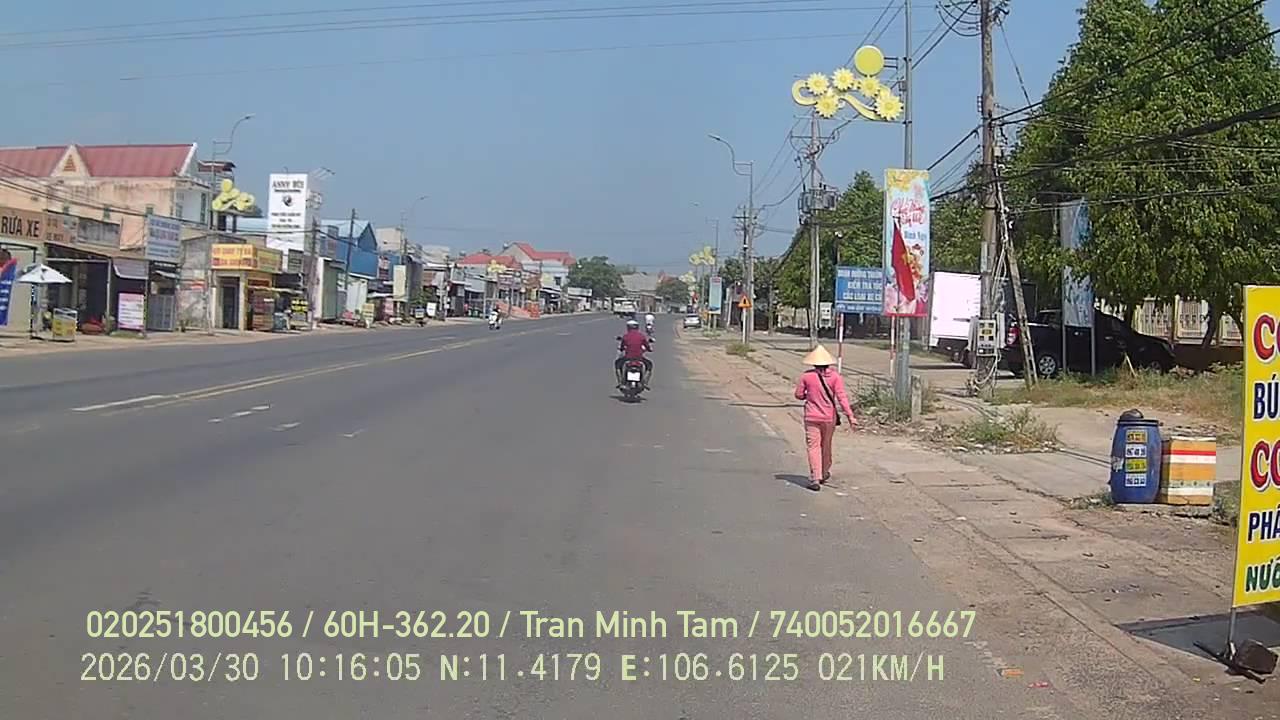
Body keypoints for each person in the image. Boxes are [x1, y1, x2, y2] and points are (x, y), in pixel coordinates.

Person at [793, 345, 855, 492]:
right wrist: (850, 416)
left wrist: (809, 395)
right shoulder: (835, 377)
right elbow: (842, 397)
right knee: (826, 445)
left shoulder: (806, 376)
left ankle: (815, 477)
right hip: (828, 418)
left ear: (813, 363)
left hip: (811, 417)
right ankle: (824, 471)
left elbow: (798, 395)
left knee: (813, 446)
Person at [615, 319, 653, 388]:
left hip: (628, 357)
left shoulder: (626, 336)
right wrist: (649, 349)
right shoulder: (642, 336)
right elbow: (647, 346)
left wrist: (621, 349)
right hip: (639, 358)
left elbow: (622, 347)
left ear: (628, 327)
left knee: (617, 364)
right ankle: (645, 382)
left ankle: (620, 382)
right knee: (649, 365)